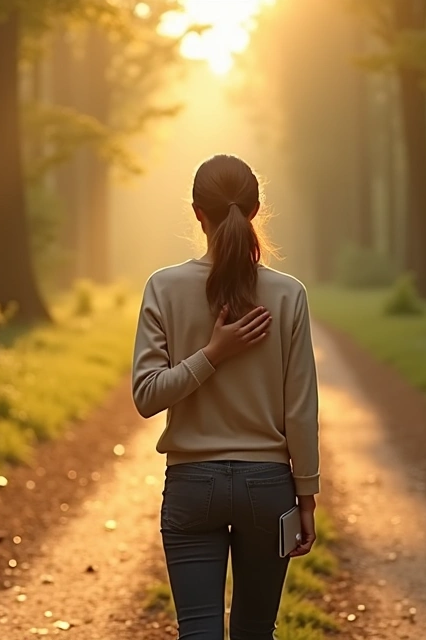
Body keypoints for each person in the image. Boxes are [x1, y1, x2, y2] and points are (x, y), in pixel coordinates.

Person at [131, 154, 320, 639]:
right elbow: (300, 409)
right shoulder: (288, 294)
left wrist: (206, 356)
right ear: (255, 210)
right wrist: (307, 496)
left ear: (198, 212)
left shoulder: (164, 287)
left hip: (193, 487)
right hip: (270, 488)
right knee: (257, 633)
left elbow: (147, 395)